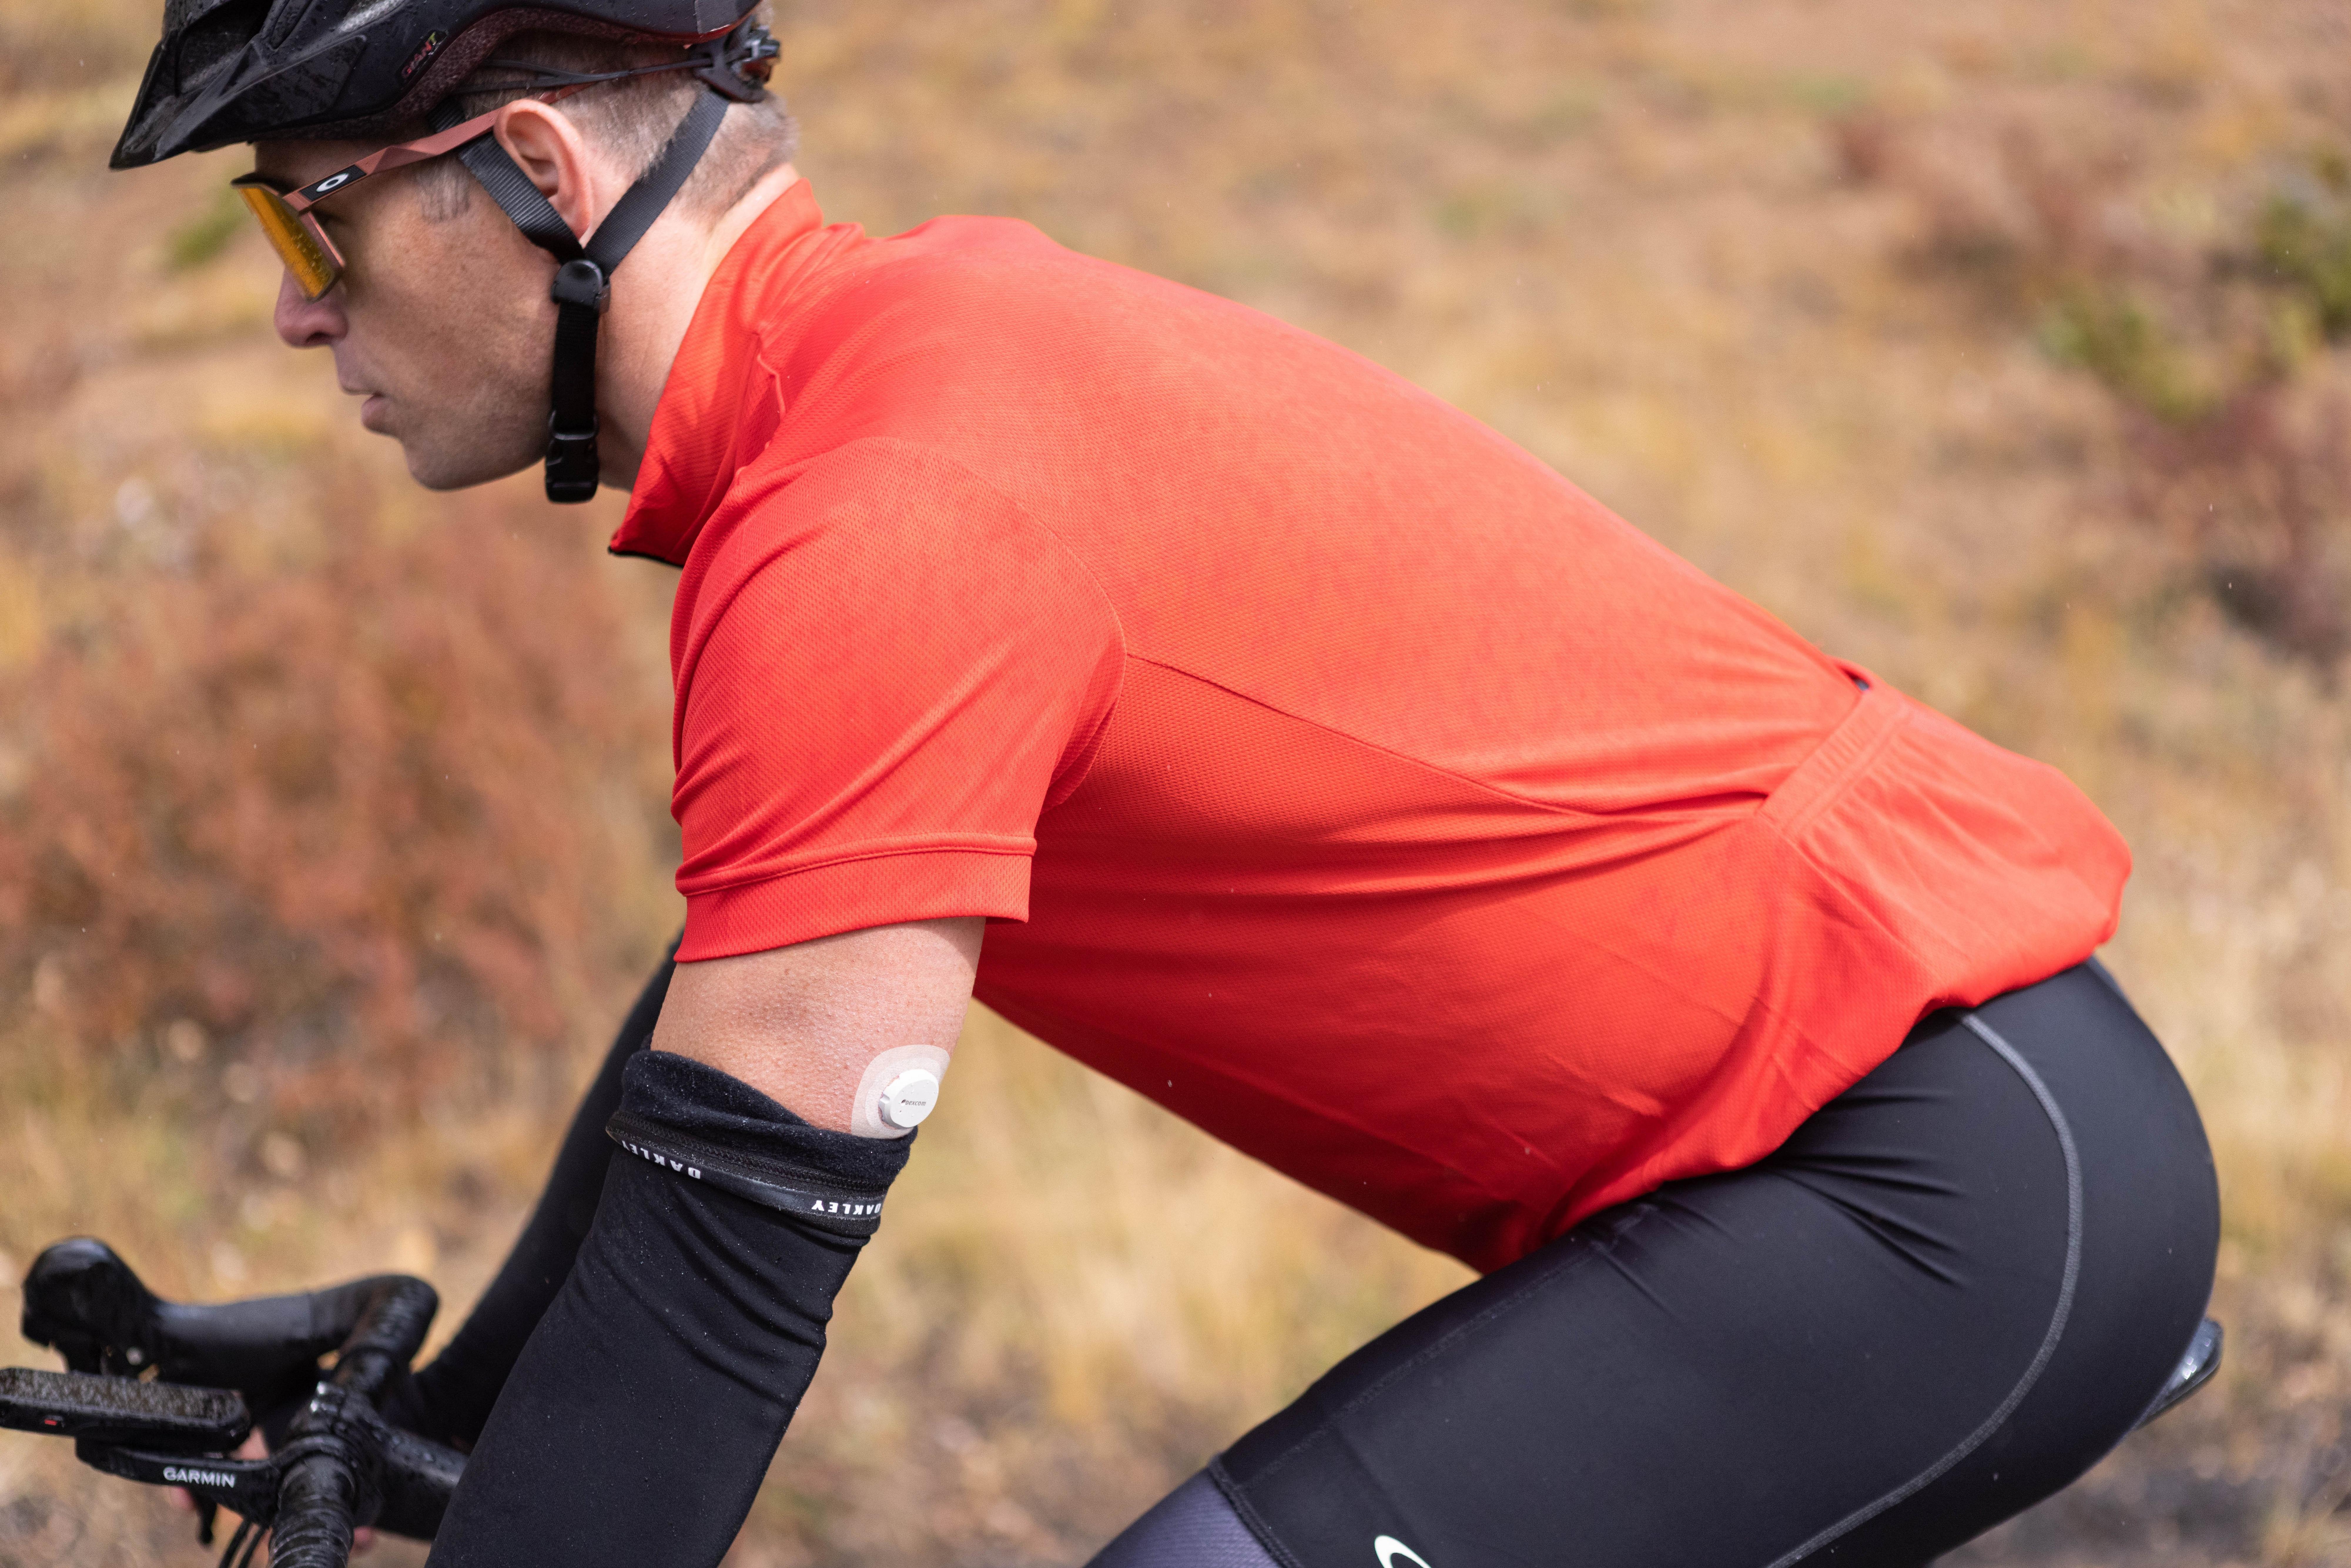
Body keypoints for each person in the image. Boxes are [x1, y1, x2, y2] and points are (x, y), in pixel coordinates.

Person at [108, 1, 2220, 1563]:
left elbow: (714, 1300)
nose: (304, 320)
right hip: (1874, 1160)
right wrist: (448, 1441)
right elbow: (719, 1061)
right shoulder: (880, 390)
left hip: (1926, 1188)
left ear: (540, 181)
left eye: (317, 232)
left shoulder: (884, 513)